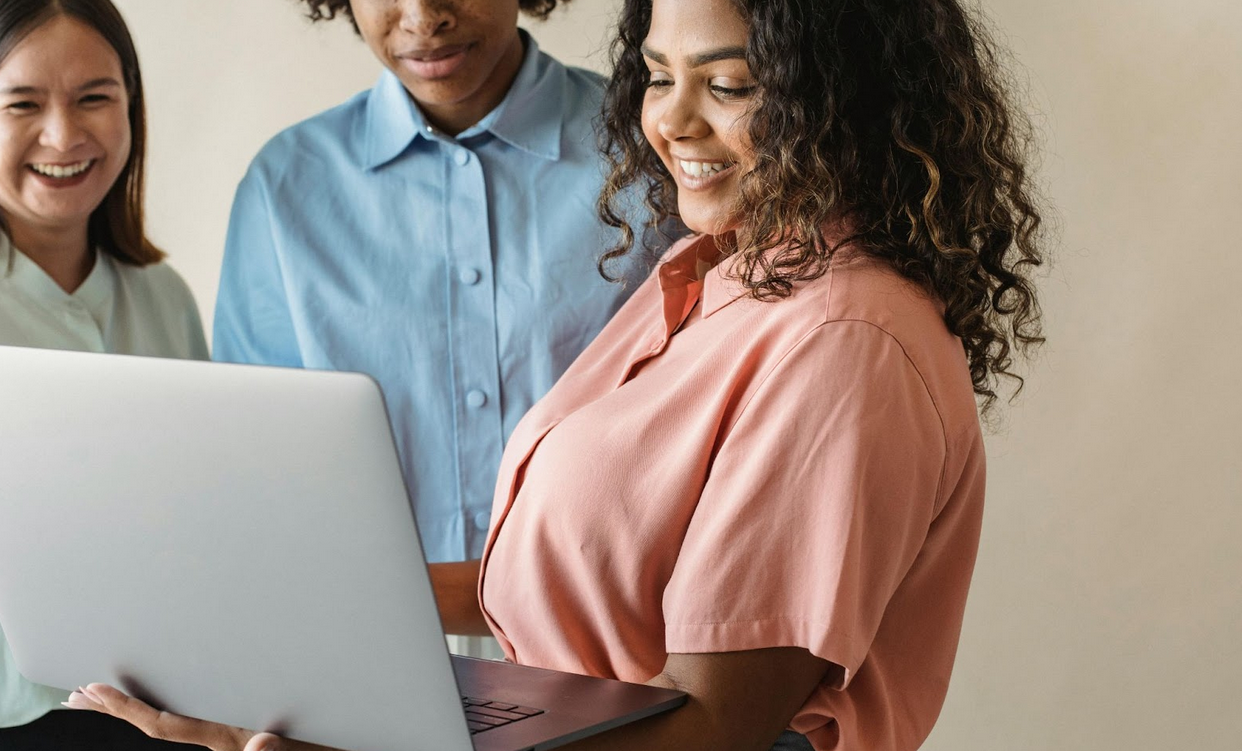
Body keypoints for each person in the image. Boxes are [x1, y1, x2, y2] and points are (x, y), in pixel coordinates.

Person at [71, 0, 1048, 749]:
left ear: (846, 92)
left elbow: (711, 729)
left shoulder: (843, 336)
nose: (673, 122)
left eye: (732, 83)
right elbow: (556, 574)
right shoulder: (716, 275)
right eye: (657, 76)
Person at [213, 0, 654, 571]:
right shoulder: (282, 187)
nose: (422, 17)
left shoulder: (655, 150)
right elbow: (256, 459)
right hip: (366, 637)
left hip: (614, 631)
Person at [0, 0, 208, 749]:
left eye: (95, 97)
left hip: (157, 711)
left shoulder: (164, 298)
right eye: (21, 104)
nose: (64, 135)